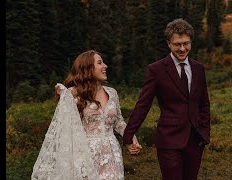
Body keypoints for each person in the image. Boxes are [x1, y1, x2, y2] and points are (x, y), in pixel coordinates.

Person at [31, 50, 142, 180]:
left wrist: (130, 138)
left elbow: (119, 122)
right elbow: (64, 127)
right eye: (100, 63)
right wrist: (64, 97)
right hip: (86, 154)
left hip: (112, 152)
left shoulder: (112, 93)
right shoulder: (74, 93)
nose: (105, 66)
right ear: (87, 68)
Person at [123, 18, 211, 180]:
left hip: (195, 140)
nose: (182, 48)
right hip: (169, 140)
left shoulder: (199, 69)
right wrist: (128, 135)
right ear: (168, 44)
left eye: (186, 43)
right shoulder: (156, 69)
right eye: (177, 44)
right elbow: (143, 104)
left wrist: (204, 131)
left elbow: (204, 103)